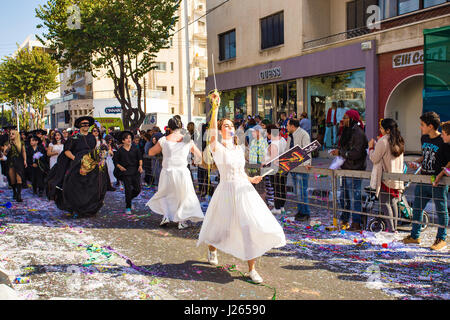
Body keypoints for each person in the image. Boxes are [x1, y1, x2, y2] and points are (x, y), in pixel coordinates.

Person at [197, 98, 286, 284]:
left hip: (244, 190)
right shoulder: (217, 147)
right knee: (221, 228)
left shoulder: (238, 148)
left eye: (231, 125)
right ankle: (212, 248)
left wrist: (251, 178)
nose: (229, 128)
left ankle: (252, 270)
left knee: (248, 228)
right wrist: (215, 109)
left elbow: (241, 171)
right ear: (220, 130)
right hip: (226, 191)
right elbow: (212, 132)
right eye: (226, 125)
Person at [146, 116, 204, 230]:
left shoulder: (164, 140)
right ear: (181, 126)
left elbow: (151, 152)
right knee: (183, 195)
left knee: (165, 194)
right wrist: (194, 160)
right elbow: (199, 154)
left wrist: (154, 143)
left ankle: (166, 216)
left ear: (169, 127)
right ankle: (181, 221)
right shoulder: (187, 140)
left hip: (167, 171)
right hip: (182, 171)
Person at [403, 112, 449, 251]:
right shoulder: (424, 138)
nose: (420, 127)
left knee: (441, 211)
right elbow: (426, 155)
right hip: (423, 179)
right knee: (417, 208)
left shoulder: (444, 140)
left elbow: (448, 161)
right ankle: (414, 236)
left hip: (437, 182)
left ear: (430, 126)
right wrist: (416, 163)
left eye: (422, 125)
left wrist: (441, 176)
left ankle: (441, 239)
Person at [47, 116, 109, 218]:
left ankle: (90, 207)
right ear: (79, 126)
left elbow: (93, 150)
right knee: (75, 188)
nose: (86, 126)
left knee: (93, 186)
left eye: (87, 124)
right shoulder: (73, 138)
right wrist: (76, 159)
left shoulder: (92, 137)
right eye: (83, 124)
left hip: (91, 164)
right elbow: (67, 151)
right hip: (77, 165)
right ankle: (75, 208)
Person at [330, 109, 368, 231]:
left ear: (352, 119)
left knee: (354, 197)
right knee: (344, 197)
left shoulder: (358, 133)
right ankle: (345, 220)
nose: (343, 120)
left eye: (346, 117)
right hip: (346, 168)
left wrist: (340, 152)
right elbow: (343, 145)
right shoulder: (347, 131)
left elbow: (357, 153)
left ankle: (356, 223)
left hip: (354, 169)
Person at [368, 119, 405, 233]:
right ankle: (394, 228)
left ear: (387, 130)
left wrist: (370, 148)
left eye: (382, 128)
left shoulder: (383, 141)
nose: (380, 130)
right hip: (397, 176)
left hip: (385, 177)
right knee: (393, 202)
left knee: (385, 204)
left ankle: (392, 229)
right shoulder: (399, 140)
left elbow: (374, 158)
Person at [286, 118, 311, 222]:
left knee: (301, 191)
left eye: (287, 125)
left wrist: (307, 163)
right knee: (297, 191)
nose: (286, 127)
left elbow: (307, 149)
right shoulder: (290, 136)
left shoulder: (303, 134)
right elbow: (287, 149)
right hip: (293, 166)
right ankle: (301, 210)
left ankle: (305, 212)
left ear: (292, 126)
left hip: (301, 167)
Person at [113, 131, 143, 214]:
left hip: (135, 171)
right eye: (126, 138)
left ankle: (129, 198)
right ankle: (128, 207)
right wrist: (120, 167)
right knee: (128, 190)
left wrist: (140, 166)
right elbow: (115, 161)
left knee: (137, 189)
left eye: (130, 138)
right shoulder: (120, 151)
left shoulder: (135, 148)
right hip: (125, 172)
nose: (129, 139)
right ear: (123, 141)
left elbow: (140, 158)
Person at [266, 124, 288, 215]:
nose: (267, 136)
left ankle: (277, 207)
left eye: (267, 134)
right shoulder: (283, 140)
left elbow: (273, 158)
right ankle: (282, 206)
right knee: (282, 187)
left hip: (275, 168)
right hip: (284, 167)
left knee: (276, 188)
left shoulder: (274, 143)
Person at [248, 125, 269, 202]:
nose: (252, 133)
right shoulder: (253, 141)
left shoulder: (263, 142)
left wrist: (261, 166)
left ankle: (262, 204)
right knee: (252, 187)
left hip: (259, 168)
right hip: (252, 167)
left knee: (260, 188)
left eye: (253, 131)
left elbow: (264, 156)